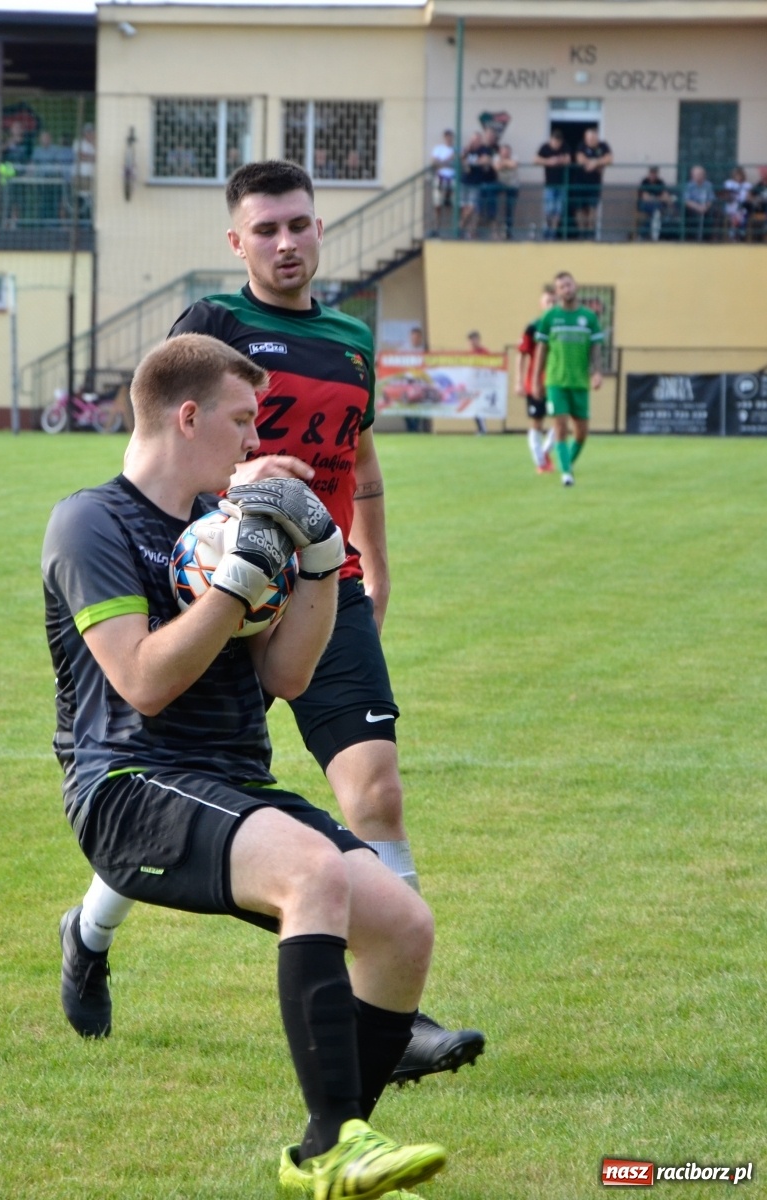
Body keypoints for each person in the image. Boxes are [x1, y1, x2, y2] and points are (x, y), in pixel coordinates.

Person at [67, 160, 485, 1087]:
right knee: (194, 775)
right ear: (238, 242)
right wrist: (205, 553)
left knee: (374, 791)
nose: (285, 242)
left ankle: (401, 1015)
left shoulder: (348, 340)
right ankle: (90, 931)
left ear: (318, 228)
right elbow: (167, 445)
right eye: (266, 230)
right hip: (228, 581)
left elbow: (361, 456)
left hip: (321, 584)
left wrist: (369, 557)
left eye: (299, 224)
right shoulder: (213, 327)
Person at [44, 331, 449, 1198]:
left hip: (232, 781)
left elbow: (286, 675)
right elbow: (143, 682)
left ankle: (344, 1154)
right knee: (313, 875)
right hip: (128, 782)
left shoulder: (220, 524)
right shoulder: (91, 521)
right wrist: (234, 583)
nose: (255, 441)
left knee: (402, 929)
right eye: (240, 421)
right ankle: (329, 1140)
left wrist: (313, 560)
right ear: (186, 417)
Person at [531, 271, 604, 487]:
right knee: (560, 426)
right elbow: (541, 350)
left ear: (576, 286)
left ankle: (566, 464)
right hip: (556, 381)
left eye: (569, 285)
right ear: (557, 292)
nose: (566, 289)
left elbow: (596, 348)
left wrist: (597, 372)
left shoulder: (589, 317)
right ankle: (566, 475)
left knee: (582, 433)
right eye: (561, 287)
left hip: (580, 382)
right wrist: (536, 380)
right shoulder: (549, 317)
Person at [516, 284, 557, 473]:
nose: (551, 305)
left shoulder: (562, 326)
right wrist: (518, 381)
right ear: (541, 304)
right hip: (536, 382)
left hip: (558, 381)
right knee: (537, 422)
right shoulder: (533, 327)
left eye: (554, 302)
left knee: (562, 421)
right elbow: (522, 354)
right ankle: (541, 463)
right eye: (548, 301)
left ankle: (545, 453)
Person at [574, 128, 613, 237]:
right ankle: (582, 232)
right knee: (580, 208)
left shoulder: (603, 146)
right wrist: (594, 163)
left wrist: (595, 162)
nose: (590, 140)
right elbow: (579, 158)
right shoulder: (581, 145)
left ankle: (590, 233)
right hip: (580, 182)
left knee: (593, 208)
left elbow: (609, 159)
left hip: (595, 183)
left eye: (592, 138)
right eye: (588, 138)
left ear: (597, 137)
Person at [534, 130, 572, 239]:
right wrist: (549, 161)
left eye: (558, 143)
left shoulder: (565, 147)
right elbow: (535, 159)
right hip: (549, 184)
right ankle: (547, 228)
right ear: (551, 140)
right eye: (554, 142)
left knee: (558, 210)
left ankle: (553, 232)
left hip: (562, 184)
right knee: (549, 209)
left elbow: (568, 160)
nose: (556, 145)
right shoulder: (545, 147)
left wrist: (559, 160)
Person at [429, 129, 455, 234]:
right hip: (440, 178)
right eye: (447, 137)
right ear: (444, 138)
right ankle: (437, 226)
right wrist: (447, 161)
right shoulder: (438, 149)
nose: (449, 139)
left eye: (450, 137)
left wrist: (442, 162)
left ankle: (453, 228)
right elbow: (434, 162)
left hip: (452, 179)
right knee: (437, 203)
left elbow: (459, 162)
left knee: (453, 204)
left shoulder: (456, 150)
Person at [459, 131, 484, 239]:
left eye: (476, 140)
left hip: (475, 183)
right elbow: (460, 159)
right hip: (464, 182)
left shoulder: (483, 150)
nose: (474, 142)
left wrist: (471, 163)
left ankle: (461, 225)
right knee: (465, 207)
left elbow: (484, 160)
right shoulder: (466, 150)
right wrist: (466, 153)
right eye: (472, 140)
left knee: (473, 207)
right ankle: (465, 230)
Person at [636, 166, 672, 240]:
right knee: (656, 212)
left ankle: (645, 235)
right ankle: (649, 235)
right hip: (644, 205)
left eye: (655, 173)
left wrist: (654, 198)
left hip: (657, 206)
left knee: (656, 213)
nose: (653, 175)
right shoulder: (644, 182)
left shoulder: (660, 182)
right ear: (649, 173)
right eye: (651, 173)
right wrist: (658, 198)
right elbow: (645, 198)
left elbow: (666, 197)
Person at [466, 330, 491, 434]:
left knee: (480, 406)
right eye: (471, 340)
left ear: (478, 340)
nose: (472, 342)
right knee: (473, 407)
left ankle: (483, 429)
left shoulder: (484, 352)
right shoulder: (469, 354)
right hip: (472, 384)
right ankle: (480, 428)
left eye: (474, 339)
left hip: (482, 384)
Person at [683, 165, 716, 241]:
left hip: (705, 207)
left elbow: (711, 199)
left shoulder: (708, 185)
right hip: (693, 208)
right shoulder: (689, 186)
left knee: (711, 214)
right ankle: (691, 238)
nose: (699, 176)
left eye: (701, 174)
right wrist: (698, 207)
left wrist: (705, 207)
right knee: (689, 214)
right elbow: (686, 200)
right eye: (696, 174)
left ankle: (707, 238)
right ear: (692, 176)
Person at [495, 143, 520, 239]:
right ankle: (497, 230)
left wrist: (503, 163)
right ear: (500, 152)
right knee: (494, 203)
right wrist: (506, 163)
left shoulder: (515, 157)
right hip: (500, 185)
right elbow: (496, 167)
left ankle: (508, 232)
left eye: (507, 152)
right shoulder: (496, 157)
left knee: (510, 209)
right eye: (503, 152)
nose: (505, 154)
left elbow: (513, 164)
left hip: (513, 186)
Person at [722, 166, 750, 240]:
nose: (738, 177)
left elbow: (748, 197)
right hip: (731, 206)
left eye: (740, 175)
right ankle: (735, 233)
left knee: (743, 212)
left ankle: (738, 232)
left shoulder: (747, 185)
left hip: (742, 206)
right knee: (735, 212)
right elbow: (726, 195)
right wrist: (731, 197)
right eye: (737, 175)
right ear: (733, 175)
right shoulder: (728, 183)